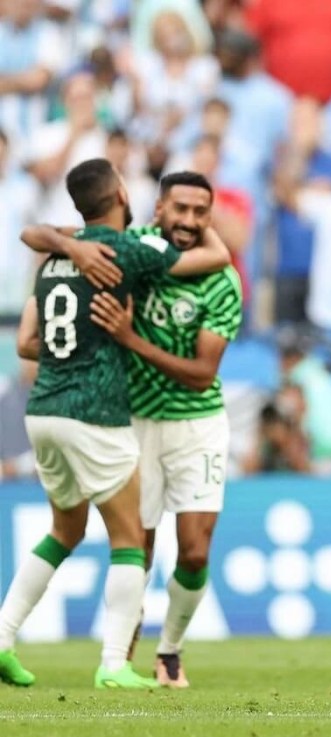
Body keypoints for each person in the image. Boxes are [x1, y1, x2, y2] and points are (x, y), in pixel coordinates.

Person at [0, 158, 229, 689]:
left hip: (44, 412)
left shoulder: (54, 255)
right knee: (130, 540)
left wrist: (71, 245)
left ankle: (5, 636)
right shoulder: (128, 251)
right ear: (124, 193)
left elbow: (26, 342)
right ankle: (113, 665)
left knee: (65, 529)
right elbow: (214, 256)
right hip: (95, 413)